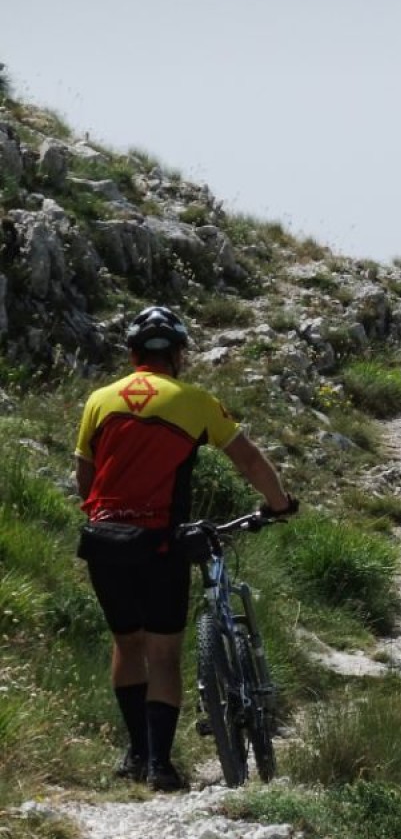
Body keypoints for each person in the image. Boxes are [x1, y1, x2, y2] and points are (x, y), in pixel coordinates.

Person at [74, 305, 297, 791]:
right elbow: (249, 459)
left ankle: (134, 754)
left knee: (126, 644)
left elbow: (83, 480)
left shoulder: (99, 400)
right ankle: (159, 764)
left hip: (105, 543)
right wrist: (278, 503)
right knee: (164, 654)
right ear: (177, 354)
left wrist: (110, 517)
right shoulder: (195, 401)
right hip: (160, 546)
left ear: (133, 353)